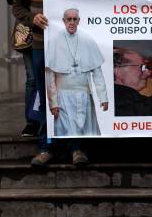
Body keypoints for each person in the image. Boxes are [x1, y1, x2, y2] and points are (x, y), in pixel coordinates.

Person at [12, 0, 99, 167]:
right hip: (42, 46)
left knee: (73, 96)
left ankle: (76, 148)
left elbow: (97, 5)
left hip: (75, 50)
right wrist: (32, 18)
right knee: (47, 96)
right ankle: (46, 146)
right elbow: (17, 6)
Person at [46, 8, 108, 136]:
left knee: (88, 132)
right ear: (64, 21)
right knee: (66, 132)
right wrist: (53, 102)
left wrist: (103, 97)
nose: (72, 22)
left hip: (85, 97)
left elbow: (97, 72)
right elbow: (50, 75)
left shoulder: (87, 40)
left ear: (79, 21)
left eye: (75, 19)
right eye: (69, 19)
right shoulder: (55, 40)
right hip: (64, 98)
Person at [4, 0, 42, 137]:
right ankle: (32, 120)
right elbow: (12, 0)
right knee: (32, 78)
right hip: (30, 31)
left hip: (58, 32)